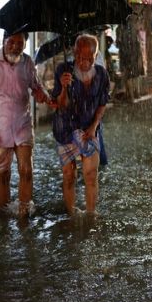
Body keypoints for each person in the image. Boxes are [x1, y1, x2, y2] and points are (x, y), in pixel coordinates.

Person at [0, 31, 55, 217]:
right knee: (3, 175)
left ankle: (24, 215)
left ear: (25, 44)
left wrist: (42, 95)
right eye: (11, 41)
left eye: (20, 42)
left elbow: (35, 86)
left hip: (22, 124)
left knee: (26, 169)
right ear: (4, 41)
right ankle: (4, 217)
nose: (15, 46)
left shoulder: (28, 62)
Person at [52, 34, 110, 215]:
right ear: (74, 53)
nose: (83, 62)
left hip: (89, 129)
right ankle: (71, 215)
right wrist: (63, 88)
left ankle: (91, 215)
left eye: (88, 58)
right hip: (65, 130)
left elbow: (102, 104)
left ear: (96, 56)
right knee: (69, 176)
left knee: (91, 175)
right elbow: (60, 105)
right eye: (79, 57)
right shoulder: (63, 70)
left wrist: (94, 126)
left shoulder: (101, 74)